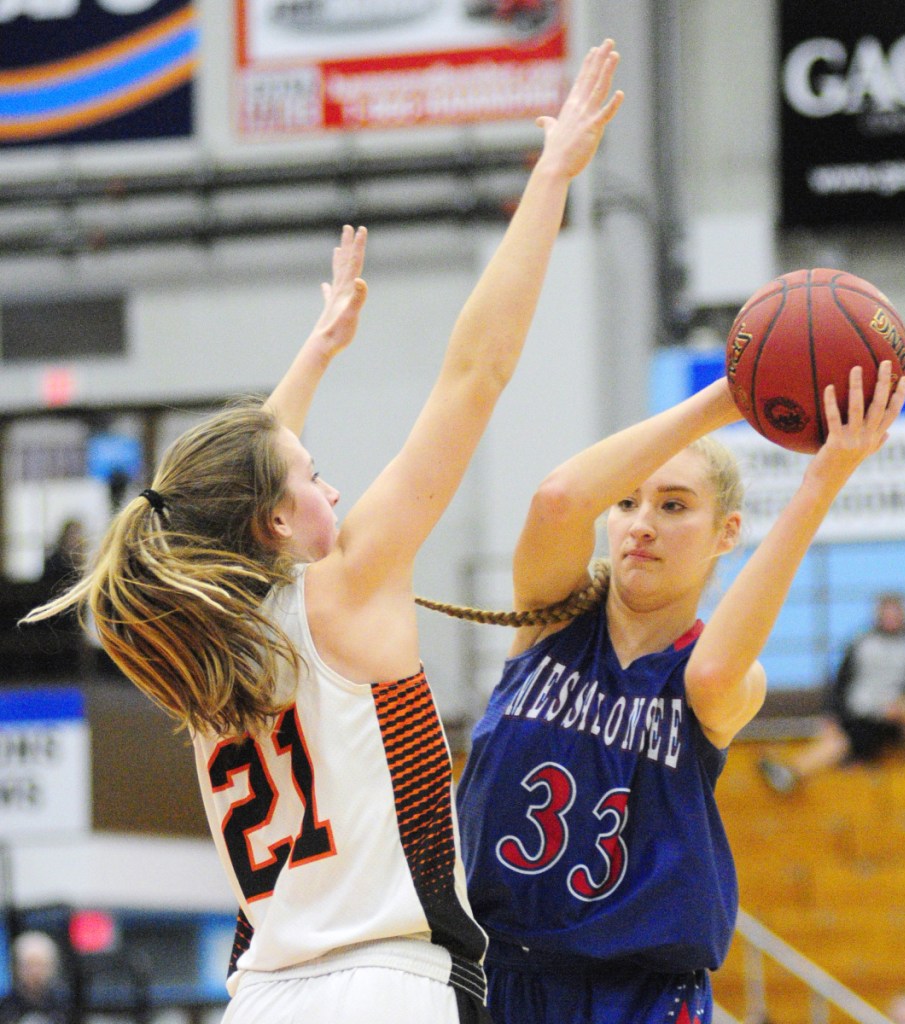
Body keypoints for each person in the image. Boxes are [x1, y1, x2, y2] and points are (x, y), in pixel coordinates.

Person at [22, 40, 623, 1024]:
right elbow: (475, 373)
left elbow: (228, 482)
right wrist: (551, 177)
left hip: (260, 995)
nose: (330, 480)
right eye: (312, 474)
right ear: (272, 519)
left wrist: (317, 349)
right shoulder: (346, 583)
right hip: (388, 985)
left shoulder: (203, 647)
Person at [452, 361, 905, 1024]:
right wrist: (728, 397)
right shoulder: (551, 617)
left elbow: (715, 675)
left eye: (674, 505)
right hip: (493, 976)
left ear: (727, 532)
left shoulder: (720, 679)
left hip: (635, 997)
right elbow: (558, 501)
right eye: (628, 501)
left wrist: (824, 479)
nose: (642, 523)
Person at [758, 591, 905, 795]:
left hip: (895, 720)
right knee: (836, 743)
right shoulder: (859, 643)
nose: (891, 618)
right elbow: (839, 685)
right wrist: (831, 717)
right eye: (886, 612)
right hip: (860, 718)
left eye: (896, 613)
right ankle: (791, 771)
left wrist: (901, 704)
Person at [0, 930, 69, 1024]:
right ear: (17, 968)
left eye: (39, 965)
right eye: (29, 966)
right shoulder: (6, 1006)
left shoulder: (63, 1003)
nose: (35, 972)